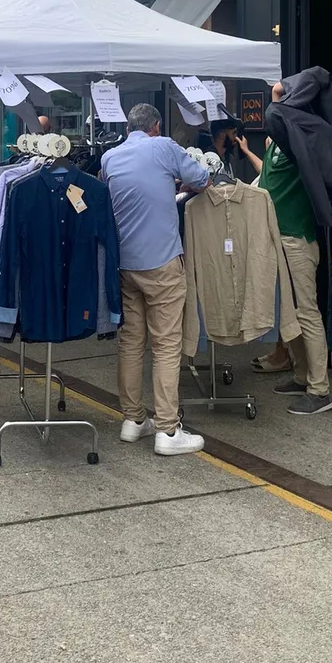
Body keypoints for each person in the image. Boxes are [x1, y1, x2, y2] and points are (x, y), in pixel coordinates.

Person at [102, 102, 211, 456]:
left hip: (125, 265)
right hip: (162, 262)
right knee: (165, 344)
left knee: (131, 343)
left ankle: (133, 421)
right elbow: (202, 178)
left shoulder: (110, 157)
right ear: (157, 126)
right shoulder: (164, 146)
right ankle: (167, 429)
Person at [240, 82, 332, 414]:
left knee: (306, 312)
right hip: (279, 237)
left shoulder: (300, 141)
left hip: (296, 238)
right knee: (289, 312)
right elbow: (268, 179)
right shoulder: (277, 144)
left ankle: (320, 389)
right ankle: (301, 374)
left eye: (280, 100)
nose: (273, 105)